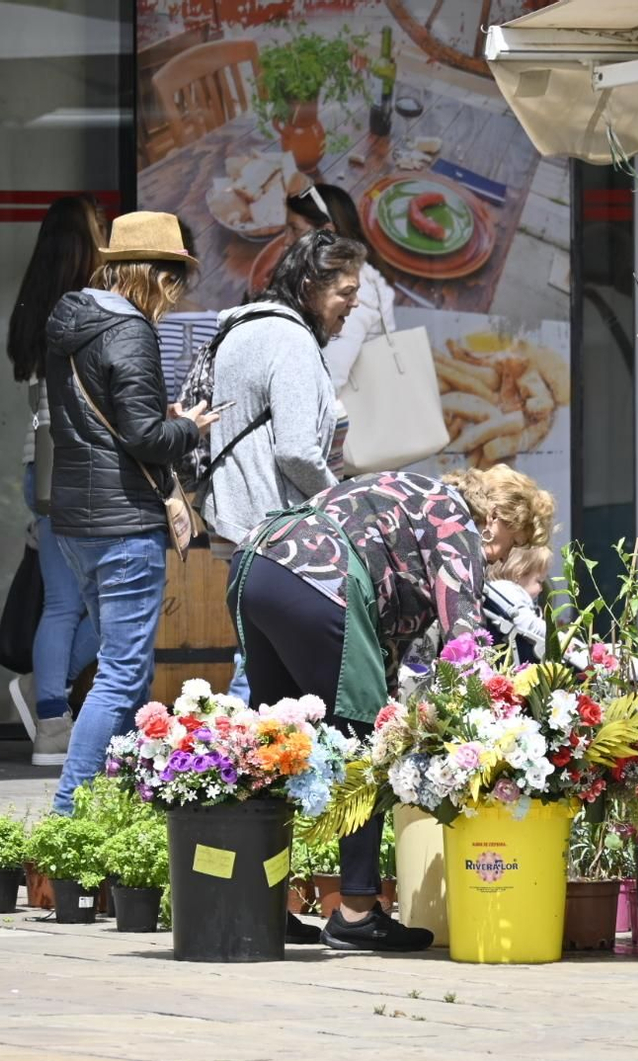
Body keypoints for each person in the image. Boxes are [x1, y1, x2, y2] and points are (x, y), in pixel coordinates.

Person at [230, 464, 555, 950]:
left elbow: (384, 635)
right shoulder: (457, 522)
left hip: (255, 563)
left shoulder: (407, 495)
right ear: (497, 520)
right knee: (365, 741)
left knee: (275, 747)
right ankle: (358, 912)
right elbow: (463, 645)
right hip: (320, 579)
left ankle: (259, 903)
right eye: (512, 542)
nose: (502, 555)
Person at [43, 211, 218, 813]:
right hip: (123, 523)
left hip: (76, 520)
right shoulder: (131, 331)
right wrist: (189, 427)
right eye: (176, 282)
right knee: (121, 675)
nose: (176, 298)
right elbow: (145, 437)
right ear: (157, 276)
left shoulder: (70, 321)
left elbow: (109, 422)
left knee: (124, 674)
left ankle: (114, 806)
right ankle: (69, 813)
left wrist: (155, 418)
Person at [198, 229, 368, 701]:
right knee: (263, 667)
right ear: (311, 285)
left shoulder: (246, 326)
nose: (353, 305)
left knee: (256, 655)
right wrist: (340, 507)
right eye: (346, 292)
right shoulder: (289, 338)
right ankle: (230, 763)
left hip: (241, 519)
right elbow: (295, 450)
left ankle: (236, 761)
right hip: (276, 530)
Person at [5, 194, 106, 765]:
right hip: (74, 464)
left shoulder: (36, 304)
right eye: (100, 227)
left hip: (39, 466)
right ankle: (47, 700)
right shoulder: (83, 307)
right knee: (101, 602)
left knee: (67, 604)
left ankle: (49, 710)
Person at [285, 183, 398, 471]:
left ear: (328, 232)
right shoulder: (345, 280)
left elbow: (332, 372)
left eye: (295, 230)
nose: (287, 241)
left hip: (343, 449)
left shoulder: (353, 287)